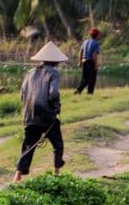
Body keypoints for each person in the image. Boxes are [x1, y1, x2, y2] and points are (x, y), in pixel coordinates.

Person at [13, 41, 67, 182]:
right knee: (57, 143)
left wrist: (27, 109)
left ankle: (18, 175)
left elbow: (22, 94)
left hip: (29, 114)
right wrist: (56, 107)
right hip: (46, 114)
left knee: (28, 144)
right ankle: (56, 172)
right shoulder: (54, 73)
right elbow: (53, 93)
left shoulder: (30, 73)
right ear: (55, 61)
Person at [74, 28, 101, 95]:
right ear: (97, 35)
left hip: (84, 61)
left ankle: (78, 90)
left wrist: (80, 61)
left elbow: (80, 52)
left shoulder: (85, 42)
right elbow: (94, 55)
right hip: (91, 62)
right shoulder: (96, 43)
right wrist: (96, 65)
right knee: (92, 79)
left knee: (85, 78)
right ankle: (89, 94)